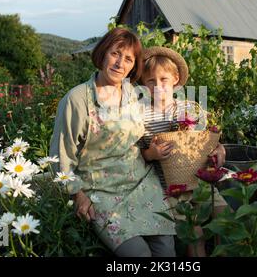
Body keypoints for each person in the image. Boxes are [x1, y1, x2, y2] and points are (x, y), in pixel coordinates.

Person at [49, 28, 176, 257]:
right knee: (138, 255)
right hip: (101, 192)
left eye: (128, 59)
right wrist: (77, 194)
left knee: (166, 251)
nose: (120, 63)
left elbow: (166, 119)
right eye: (115, 53)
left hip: (142, 185)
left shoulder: (135, 94)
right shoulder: (77, 100)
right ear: (102, 54)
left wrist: (208, 140)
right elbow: (61, 156)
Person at [137, 46, 227, 257]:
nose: (158, 86)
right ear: (142, 83)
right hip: (169, 186)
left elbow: (204, 142)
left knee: (225, 216)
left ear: (176, 79)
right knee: (193, 231)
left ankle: (226, 250)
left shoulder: (188, 108)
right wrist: (151, 154)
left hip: (199, 179)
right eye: (150, 81)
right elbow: (139, 153)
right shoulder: (142, 115)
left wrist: (219, 150)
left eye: (164, 79)